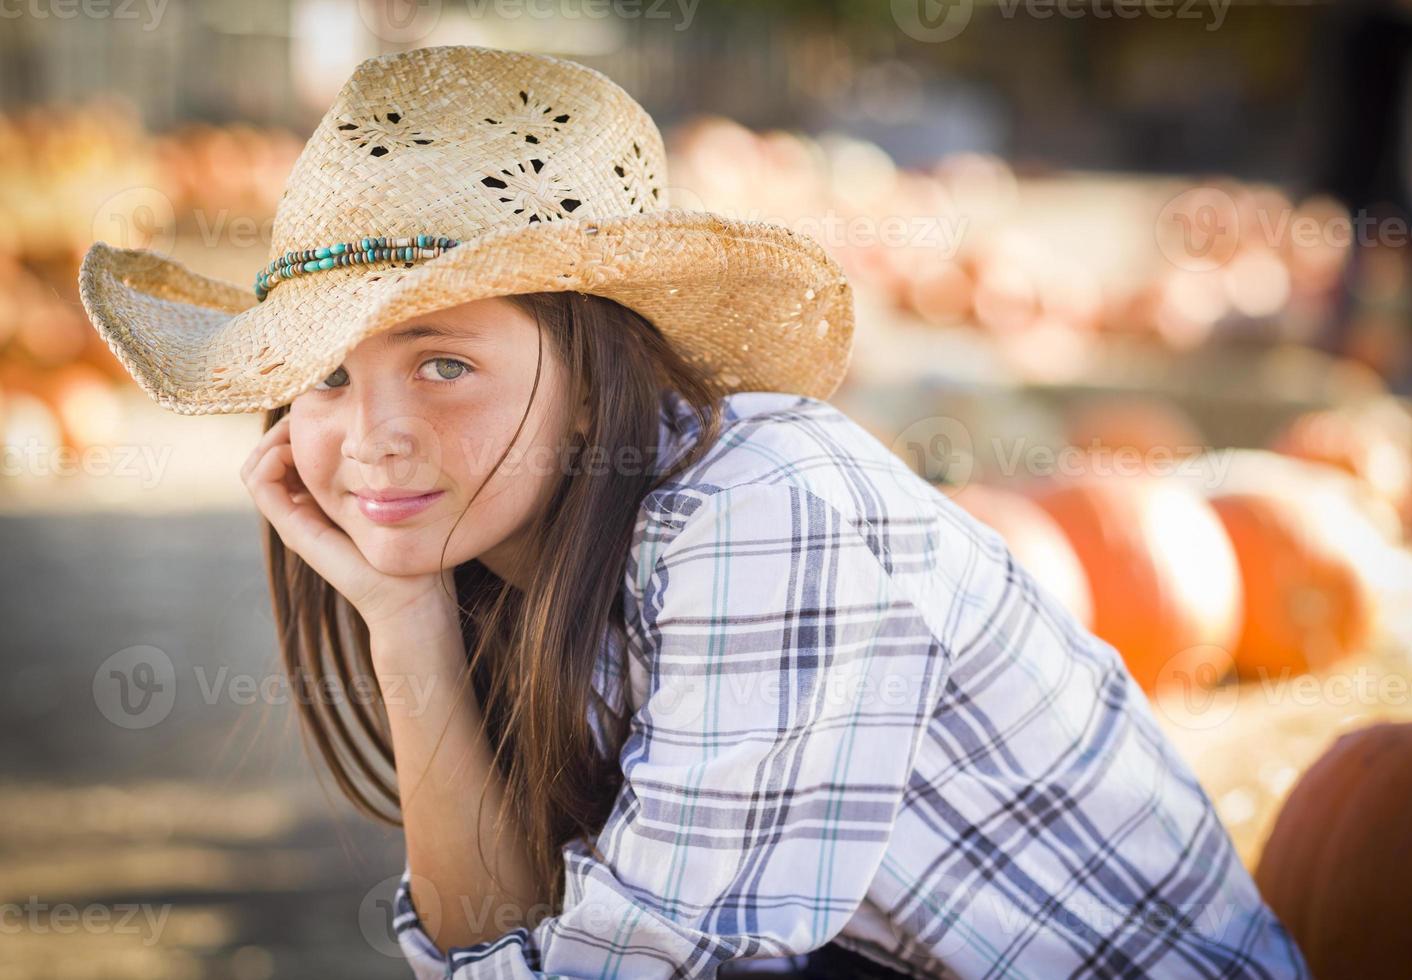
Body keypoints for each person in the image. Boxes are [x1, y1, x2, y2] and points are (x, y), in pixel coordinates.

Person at [77, 45, 1309, 979]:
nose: (373, 433)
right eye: (327, 376)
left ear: (591, 372)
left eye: (442, 361)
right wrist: (404, 620)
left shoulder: (762, 513)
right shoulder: (498, 567)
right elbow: (503, 935)